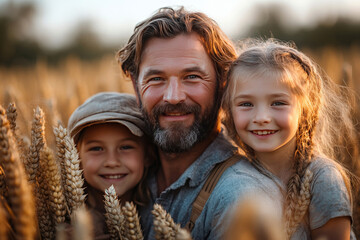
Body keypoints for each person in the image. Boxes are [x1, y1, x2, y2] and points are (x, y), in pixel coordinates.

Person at [117, 7, 283, 239]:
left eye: (192, 77)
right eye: (156, 79)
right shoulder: (122, 175)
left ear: (223, 84)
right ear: (136, 87)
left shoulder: (240, 197)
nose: (173, 97)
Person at [222, 38, 357, 239]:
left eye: (277, 103)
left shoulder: (323, 179)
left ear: (305, 109)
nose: (261, 118)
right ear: (229, 111)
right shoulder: (231, 172)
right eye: (246, 104)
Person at [67, 92, 154, 239]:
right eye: (96, 148)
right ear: (75, 157)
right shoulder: (63, 220)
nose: (112, 162)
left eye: (126, 147)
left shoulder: (162, 211)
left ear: (147, 155)